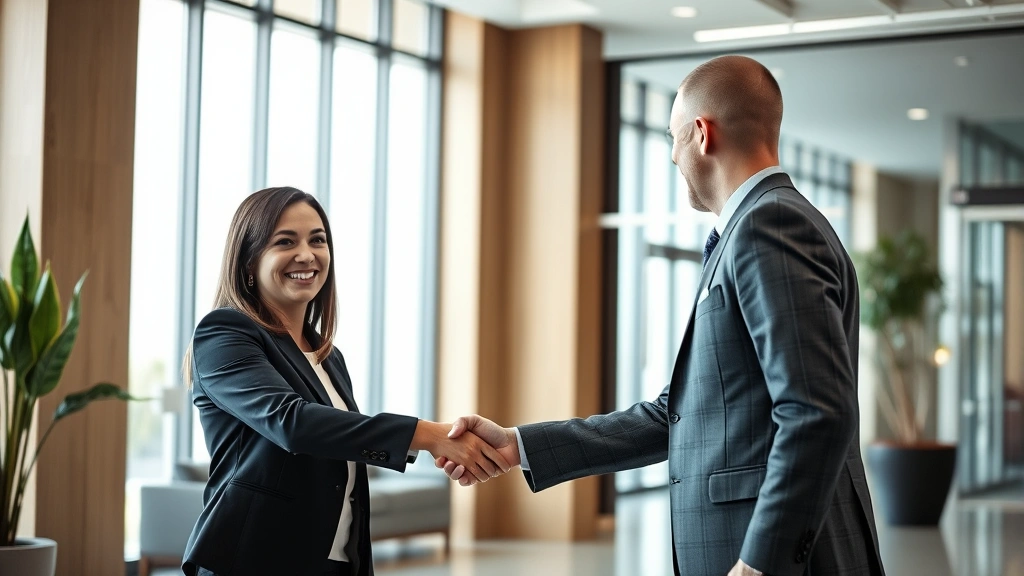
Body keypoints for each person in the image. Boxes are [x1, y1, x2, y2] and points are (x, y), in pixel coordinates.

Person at [437, 55, 885, 576]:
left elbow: (816, 411)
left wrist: (762, 561)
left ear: (701, 133)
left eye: (673, 138)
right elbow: (675, 415)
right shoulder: (760, 226)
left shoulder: (771, 224)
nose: (672, 158)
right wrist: (520, 445)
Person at [180, 187, 509, 576]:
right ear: (249, 261)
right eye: (285, 242)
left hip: (333, 561)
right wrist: (428, 435)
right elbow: (293, 423)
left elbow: (339, 449)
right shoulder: (224, 332)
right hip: (253, 559)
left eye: (317, 240)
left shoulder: (328, 356)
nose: (306, 254)